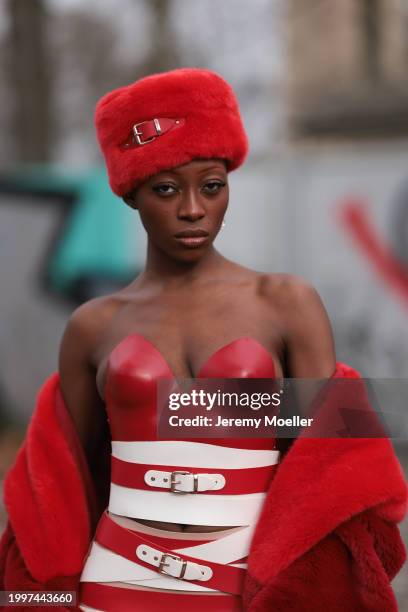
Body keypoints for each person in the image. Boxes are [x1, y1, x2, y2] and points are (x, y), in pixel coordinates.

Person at [56, 67, 335, 610]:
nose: (192, 209)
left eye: (212, 186)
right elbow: (71, 485)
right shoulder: (91, 326)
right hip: (116, 584)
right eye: (165, 189)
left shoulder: (286, 303)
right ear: (131, 194)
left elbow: (329, 474)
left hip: (250, 587)